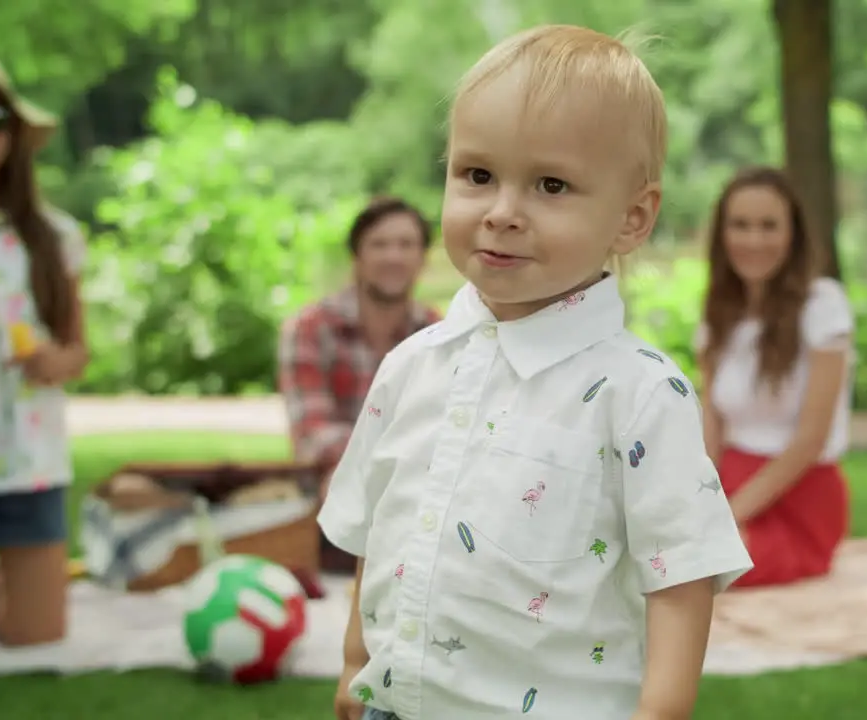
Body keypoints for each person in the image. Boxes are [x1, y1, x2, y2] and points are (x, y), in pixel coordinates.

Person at [320, 25, 752, 720]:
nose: (501, 213)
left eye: (551, 184)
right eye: (477, 175)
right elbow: (381, 528)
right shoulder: (412, 366)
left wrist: (661, 711)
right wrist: (353, 663)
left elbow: (682, 574)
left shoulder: (638, 393)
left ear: (632, 218)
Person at [696, 166, 855, 589]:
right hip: (730, 483)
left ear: (793, 235)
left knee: (694, 572)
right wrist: (700, 502)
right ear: (722, 234)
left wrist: (728, 519)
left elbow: (810, 441)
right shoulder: (719, 315)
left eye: (769, 226)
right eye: (741, 225)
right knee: (650, 553)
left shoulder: (824, 306)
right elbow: (713, 424)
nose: (754, 240)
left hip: (798, 496)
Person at [0, 51, 91, 646]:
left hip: (26, 451)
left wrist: (54, 362)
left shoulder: (54, 237)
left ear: (15, 134)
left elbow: (78, 352)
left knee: (35, 636)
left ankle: (1, 585)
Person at [278, 196, 441, 574]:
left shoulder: (439, 333)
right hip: (328, 493)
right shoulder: (309, 328)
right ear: (358, 257)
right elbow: (311, 432)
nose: (393, 257)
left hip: (412, 497)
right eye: (380, 244)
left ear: (422, 258)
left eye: (406, 245)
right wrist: (374, 467)